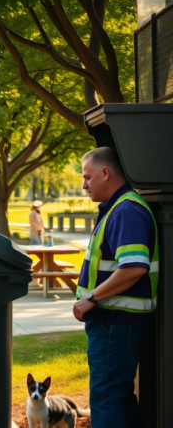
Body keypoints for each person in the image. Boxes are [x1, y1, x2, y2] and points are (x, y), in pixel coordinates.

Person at [72, 147, 157, 428]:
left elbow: (134, 267)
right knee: (118, 397)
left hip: (115, 324)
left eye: (87, 177)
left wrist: (91, 298)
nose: (84, 185)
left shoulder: (125, 211)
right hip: (116, 323)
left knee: (107, 400)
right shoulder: (120, 208)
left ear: (105, 173)